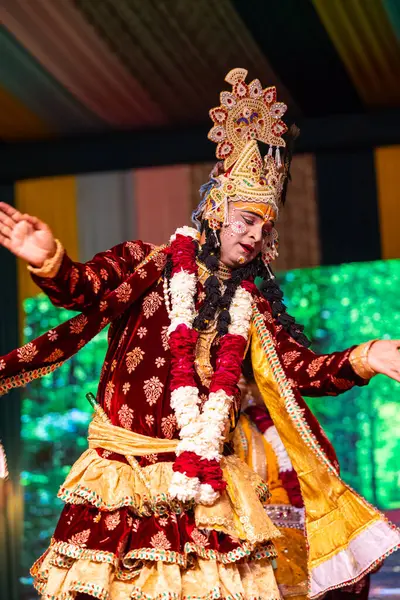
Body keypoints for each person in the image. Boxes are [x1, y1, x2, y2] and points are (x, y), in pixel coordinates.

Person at [0, 68, 399, 600]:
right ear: (215, 209)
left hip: (211, 488)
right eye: (245, 220)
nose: (254, 236)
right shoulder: (148, 264)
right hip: (127, 481)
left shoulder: (250, 307)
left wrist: (368, 355)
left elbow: (302, 370)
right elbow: (84, 289)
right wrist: (49, 260)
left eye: (265, 227)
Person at [235, 380, 372, 600]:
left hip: (291, 523)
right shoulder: (214, 431)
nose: (238, 381)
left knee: (349, 558)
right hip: (244, 531)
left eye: (243, 375)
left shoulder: (270, 426)